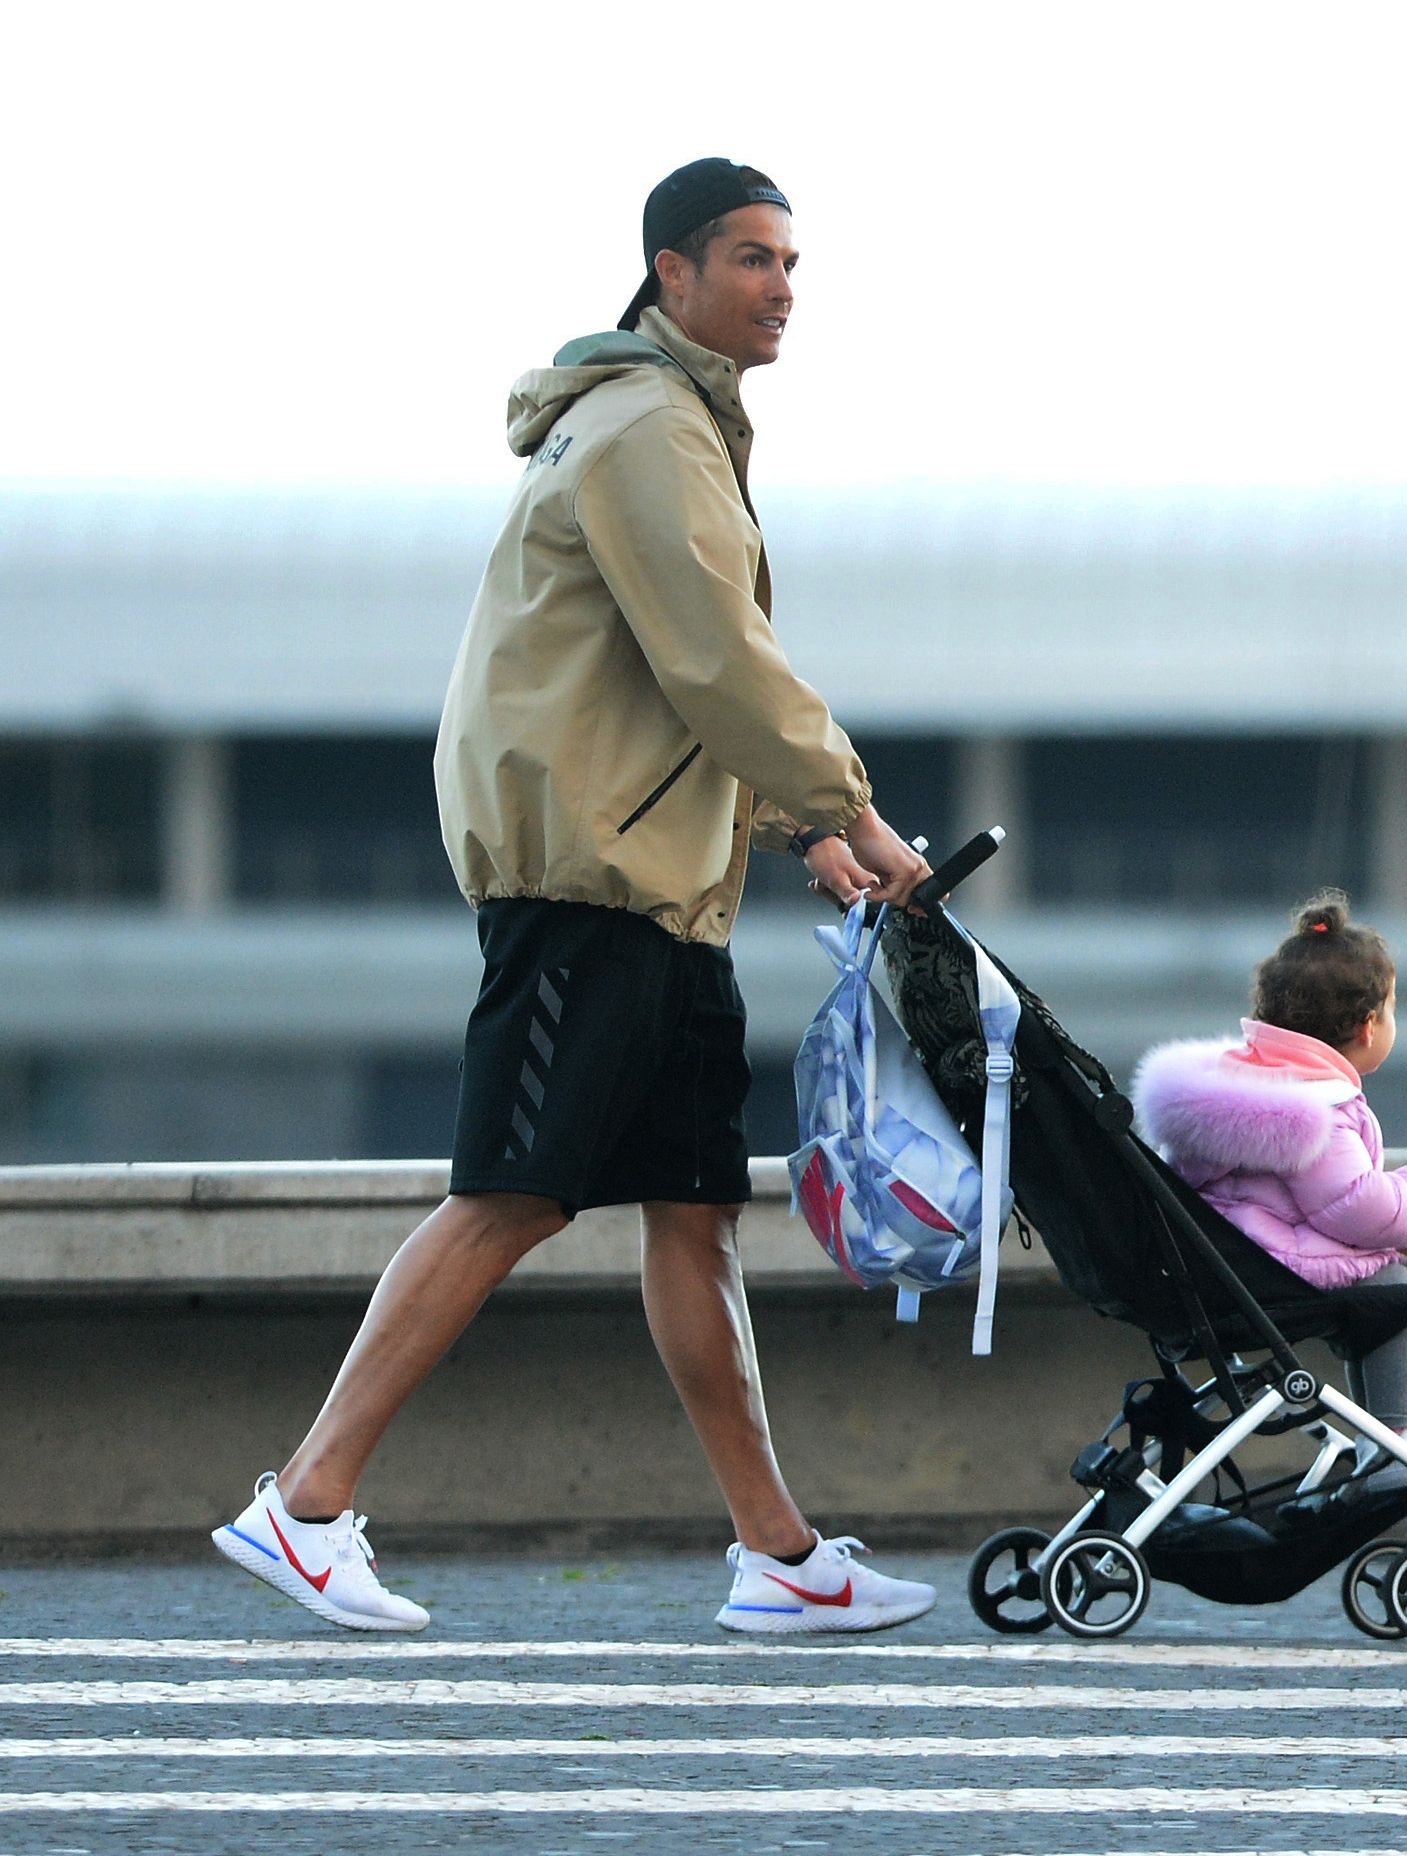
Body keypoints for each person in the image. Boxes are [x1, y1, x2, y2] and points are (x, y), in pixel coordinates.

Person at [211, 159, 940, 1636]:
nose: (782, 286)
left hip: (663, 890)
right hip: (586, 883)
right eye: (750, 258)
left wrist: (795, 837)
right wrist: (850, 808)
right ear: (670, 274)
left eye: (793, 260)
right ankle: (303, 1506)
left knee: (693, 1214)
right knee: (512, 1193)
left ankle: (780, 1555)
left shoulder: (681, 428)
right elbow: (714, 660)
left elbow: (677, 681)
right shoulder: (642, 432)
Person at [1129, 891, 1407, 1479]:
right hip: (1265, 1278)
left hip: (1225, 1265)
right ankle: (1398, 1436)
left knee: (1380, 1275)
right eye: (1393, 1010)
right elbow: (1356, 1208)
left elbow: (1304, 1206)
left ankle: (1386, 1435)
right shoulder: (1317, 1109)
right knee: (1396, 1291)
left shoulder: (1241, 1090)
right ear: (1368, 1024)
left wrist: (1388, 1234)